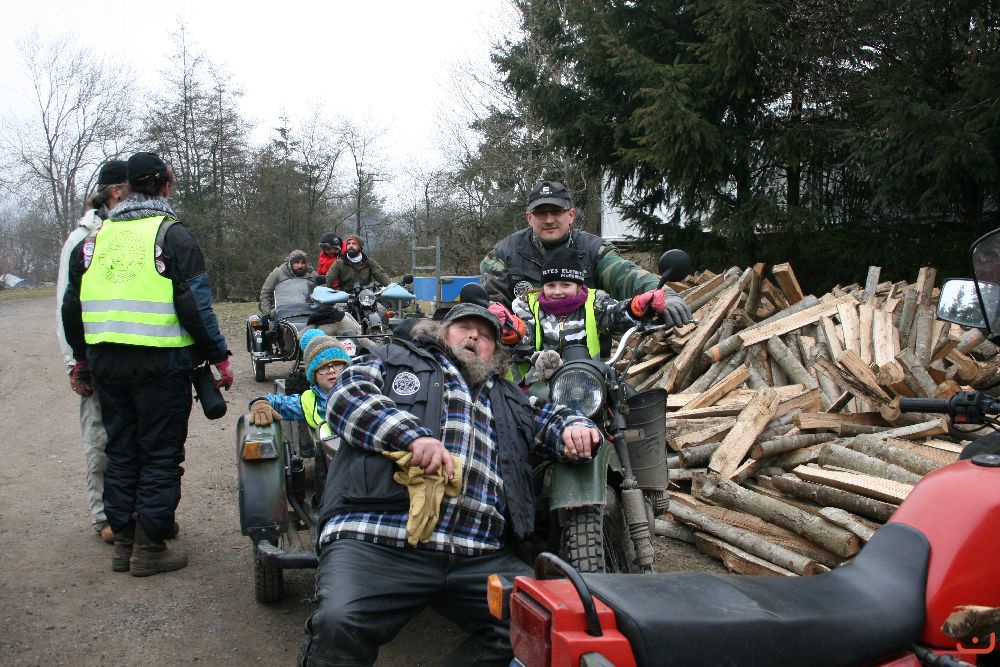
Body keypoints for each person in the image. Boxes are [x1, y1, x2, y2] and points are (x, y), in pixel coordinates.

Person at [298, 302, 602, 666]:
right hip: (379, 536)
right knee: (339, 622)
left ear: (495, 353)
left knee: (547, 621)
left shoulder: (511, 397)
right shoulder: (393, 358)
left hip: (478, 550)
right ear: (441, 333)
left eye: (485, 335)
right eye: (464, 328)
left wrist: (576, 427)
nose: (474, 336)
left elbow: (553, 416)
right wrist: (411, 436)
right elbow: (347, 395)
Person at [61, 151, 233, 577]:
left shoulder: (93, 241)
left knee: (122, 450)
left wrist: (82, 359)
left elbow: (71, 307)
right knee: (160, 454)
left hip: (107, 364)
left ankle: (124, 541)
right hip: (161, 364)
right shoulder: (172, 235)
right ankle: (151, 546)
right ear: (165, 186)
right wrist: (218, 355)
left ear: (126, 189)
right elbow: (195, 305)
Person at [480, 180, 693, 328]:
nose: (549, 220)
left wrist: (666, 295)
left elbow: (625, 274)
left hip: (591, 358)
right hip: (525, 355)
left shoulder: (593, 249)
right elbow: (489, 304)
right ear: (529, 218)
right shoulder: (504, 254)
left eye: (557, 212)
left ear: (571, 215)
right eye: (541, 213)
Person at [55, 159, 128, 545]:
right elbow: (65, 306)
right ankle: (103, 516)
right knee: (99, 439)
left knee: (131, 439)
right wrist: (75, 362)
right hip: (93, 358)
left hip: (126, 358)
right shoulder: (79, 240)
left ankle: (134, 512)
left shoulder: (131, 234)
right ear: (116, 192)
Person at [511, 245, 673, 382]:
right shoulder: (528, 305)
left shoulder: (595, 302)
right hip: (541, 379)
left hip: (591, 378)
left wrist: (635, 307)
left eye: (566, 285)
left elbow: (613, 316)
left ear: (578, 286)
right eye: (551, 285)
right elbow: (525, 334)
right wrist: (511, 330)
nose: (557, 291)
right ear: (543, 286)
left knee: (624, 398)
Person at [246, 329, 350, 438]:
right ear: (313, 375)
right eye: (323, 367)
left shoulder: (360, 389)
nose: (331, 370)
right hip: (327, 448)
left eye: (337, 364)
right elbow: (278, 403)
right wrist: (260, 403)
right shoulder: (308, 401)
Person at [259, 249, 319, 315]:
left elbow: (320, 291)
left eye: (303, 263)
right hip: (281, 311)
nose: (300, 266)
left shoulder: (312, 274)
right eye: (297, 262)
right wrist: (267, 313)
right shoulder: (278, 273)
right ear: (291, 263)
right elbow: (266, 292)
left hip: (307, 311)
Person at [323, 234, 391, 289]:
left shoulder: (369, 262)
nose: (350, 246)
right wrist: (322, 288)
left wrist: (392, 287)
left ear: (360, 247)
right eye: (348, 243)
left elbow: (381, 276)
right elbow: (329, 278)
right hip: (345, 297)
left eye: (354, 244)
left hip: (366, 296)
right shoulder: (339, 263)